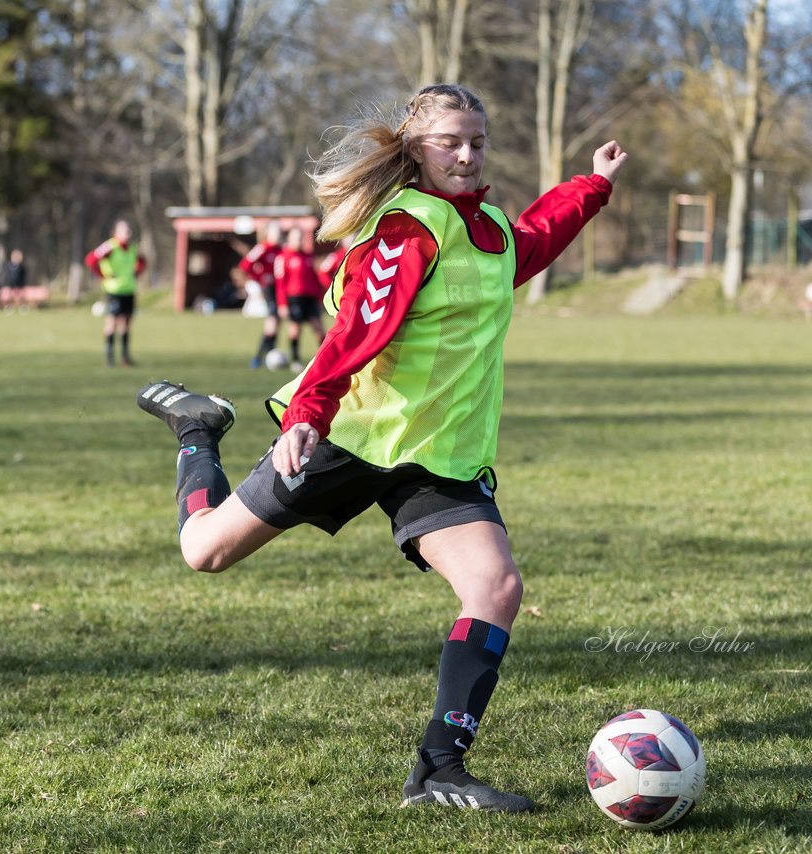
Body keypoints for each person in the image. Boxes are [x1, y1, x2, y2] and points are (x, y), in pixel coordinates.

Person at [136, 83, 627, 812]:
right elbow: (357, 331)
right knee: (203, 550)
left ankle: (437, 771)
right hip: (351, 436)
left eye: (478, 141)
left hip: (438, 458)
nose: (466, 154)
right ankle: (198, 432)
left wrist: (591, 186)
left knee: (496, 588)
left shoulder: (485, 224)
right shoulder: (406, 232)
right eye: (449, 142)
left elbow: (525, 248)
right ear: (415, 148)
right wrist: (308, 411)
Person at [85, 220, 145, 366]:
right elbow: (91, 259)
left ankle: (125, 357)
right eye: (124, 230)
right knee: (112, 322)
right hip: (114, 290)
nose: (128, 232)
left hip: (128, 290)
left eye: (129, 229)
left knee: (126, 323)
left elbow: (142, 261)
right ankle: (110, 358)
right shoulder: (109, 246)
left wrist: (136, 273)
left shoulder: (131, 248)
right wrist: (102, 275)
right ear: (116, 232)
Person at [272, 226, 327, 371]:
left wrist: (319, 297)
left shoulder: (308, 256)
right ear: (290, 239)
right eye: (297, 237)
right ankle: (295, 360)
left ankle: (326, 360)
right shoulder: (283, 257)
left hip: (310, 298)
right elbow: (280, 283)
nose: (300, 240)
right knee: (295, 329)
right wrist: (282, 304)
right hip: (294, 298)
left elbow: (315, 279)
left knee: (319, 329)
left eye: (302, 238)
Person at [239, 222, 284, 368]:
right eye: (276, 231)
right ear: (268, 233)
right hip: (269, 288)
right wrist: (260, 278)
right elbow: (245, 264)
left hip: (280, 289)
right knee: (272, 320)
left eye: (280, 231)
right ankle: (258, 357)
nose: (279, 234)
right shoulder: (263, 248)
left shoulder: (281, 250)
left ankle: (269, 353)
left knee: (277, 320)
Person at [4, 248, 28, 314]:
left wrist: (22, 284)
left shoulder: (21, 266)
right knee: (10, 297)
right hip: (11, 284)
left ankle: (22, 308)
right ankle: (9, 308)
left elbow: (23, 276)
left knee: (20, 297)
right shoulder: (9, 266)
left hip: (19, 284)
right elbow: (7, 275)